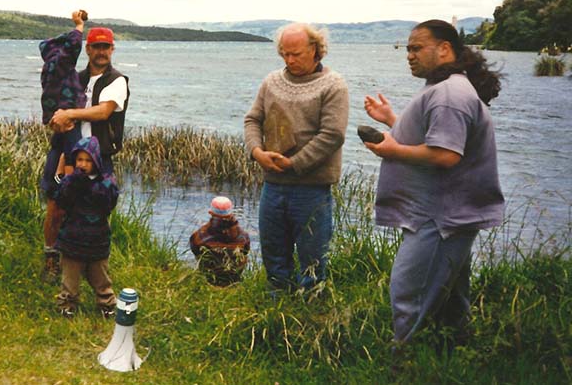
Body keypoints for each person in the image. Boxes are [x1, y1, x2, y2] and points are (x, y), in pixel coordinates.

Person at [363, 19, 504, 353]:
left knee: (409, 293)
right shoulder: (448, 87)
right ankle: (452, 357)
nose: (409, 55)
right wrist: (392, 121)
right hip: (444, 213)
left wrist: (390, 149)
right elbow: (437, 138)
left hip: (439, 218)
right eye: (407, 49)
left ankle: (406, 364)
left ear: (444, 49)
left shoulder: (450, 94)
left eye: (416, 48)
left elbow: (445, 154)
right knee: (450, 299)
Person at [244, 22, 349, 293]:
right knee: (273, 253)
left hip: (311, 188)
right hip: (273, 184)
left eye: (297, 54)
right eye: (284, 54)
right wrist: (257, 152)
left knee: (312, 259)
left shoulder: (333, 85)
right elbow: (253, 119)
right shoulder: (272, 82)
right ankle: (276, 312)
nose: (290, 60)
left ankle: (310, 314)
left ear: (315, 50)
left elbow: (332, 135)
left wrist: (294, 164)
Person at [41, 26, 130, 276]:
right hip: (65, 151)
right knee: (56, 206)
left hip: (98, 157)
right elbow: (54, 111)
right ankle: (52, 258)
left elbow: (103, 112)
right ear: (87, 49)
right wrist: (56, 119)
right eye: (96, 46)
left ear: (112, 49)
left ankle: (92, 265)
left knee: (96, 209)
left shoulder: (117, 81)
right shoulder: (74, 78)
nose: (101, 52)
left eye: (106, 47)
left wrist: (70, 113)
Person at [55, 136, 119, 318]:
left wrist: (87, 185)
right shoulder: (70, 181)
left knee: (101, 279)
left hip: (97, 242)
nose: (83, 164)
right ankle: (67, 305)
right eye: (80, 160)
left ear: (97, 161)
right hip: (72, 241)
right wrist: (73, 181)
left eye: (88, 160)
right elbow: (61, 200)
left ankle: (107, 305)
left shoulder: (106, 182)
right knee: (70, 280)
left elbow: (108, 202)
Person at [39, 9, 87, 177]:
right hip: (67, 115)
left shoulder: (47, 69)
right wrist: (79, 26)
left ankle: (59, 175)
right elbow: (73, 45)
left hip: (54, 115)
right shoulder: (62, 62)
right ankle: (67, 179)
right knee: (73, 152)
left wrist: (49, 117)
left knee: (61, 146)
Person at [189, 196, 251, 287]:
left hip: (210, 278)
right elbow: (246, 251)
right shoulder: (243, 236)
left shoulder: (200, 234)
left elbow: (195, 250)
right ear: (231, 213)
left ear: (210, 212)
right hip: (234, 278)